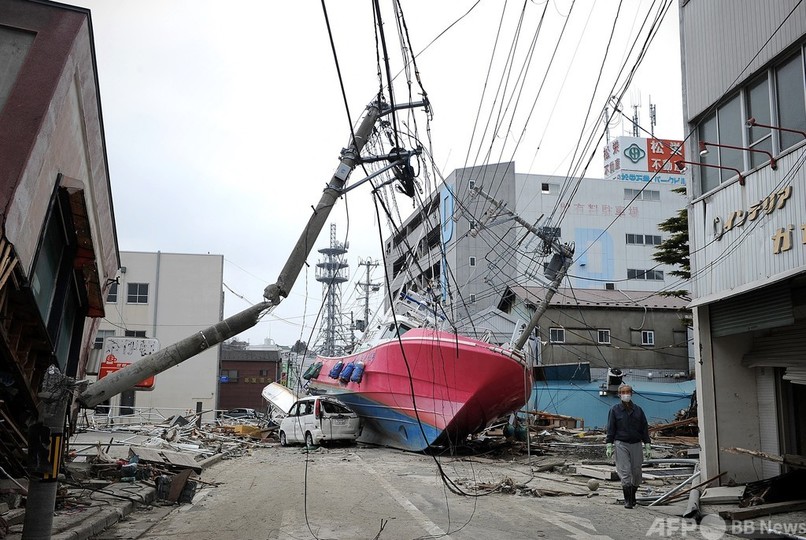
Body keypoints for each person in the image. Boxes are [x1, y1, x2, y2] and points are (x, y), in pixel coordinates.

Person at [605, 384, 651, 509]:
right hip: (621, 443)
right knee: (625, 471)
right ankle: (628, 501)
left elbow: (644, 428)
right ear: (619, 395)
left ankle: (633, 495)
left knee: (636, 472)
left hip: (636, 443)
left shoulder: (638, 410)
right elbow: (611, 428)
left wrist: (647, 444)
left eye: (628, 392)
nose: (626, 394)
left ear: (631, 393)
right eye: (623, 392)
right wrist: (609, 444)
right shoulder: (615, 410)